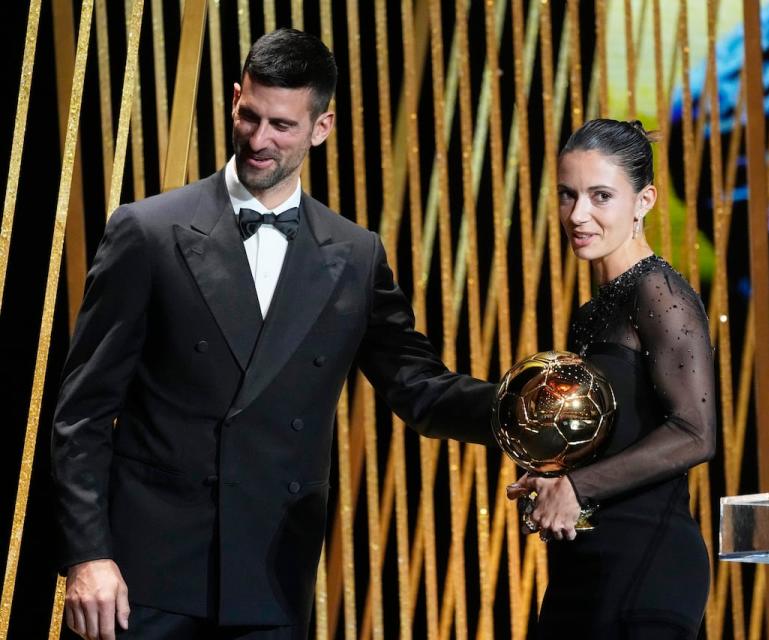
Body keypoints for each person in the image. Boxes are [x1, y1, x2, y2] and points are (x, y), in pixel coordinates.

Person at [51, 28, 494, 640]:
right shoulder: (147, 232)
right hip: (143, 577)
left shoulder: (357, 254)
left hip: (272, 576)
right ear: (236, 99)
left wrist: (518, 412)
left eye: (282, 126)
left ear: (322, 127)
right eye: (250, 116)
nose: (259, 141)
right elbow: (83, 412)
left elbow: (417, 388)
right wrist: (88, 556)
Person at [507, 119, 716, 639]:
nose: (578, 215)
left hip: (648, 565)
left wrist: (576, 486)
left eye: (601, 196)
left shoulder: (660, 293)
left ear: (643, 201)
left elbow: (696, 432)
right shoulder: (593, 310)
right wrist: (554, 480)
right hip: (585, 564)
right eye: (567, 194)